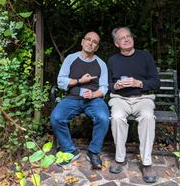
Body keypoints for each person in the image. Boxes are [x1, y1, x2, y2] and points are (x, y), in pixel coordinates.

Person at [107, 27, 160, 183]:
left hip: (142, 98)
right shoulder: (112, 60)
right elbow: (107, 84)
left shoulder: (145, 56)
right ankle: (120, 158)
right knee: (116, 117)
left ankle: (146, 162)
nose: (127, 39)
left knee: (148, 117)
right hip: (120, 99)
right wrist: (115, 86)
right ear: (117, 44)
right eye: (122, 38)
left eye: (129, 36)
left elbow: (156, 82)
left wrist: (139, 83)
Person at [51, 31, 110, 169]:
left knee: (103, 118)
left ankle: (93, 152)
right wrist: (79, 80)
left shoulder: (101, 64)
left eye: (94, 42)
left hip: (94, 100)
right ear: (82, 42)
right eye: (88, 39)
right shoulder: (71, 59)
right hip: (72, 98)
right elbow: (61, 81)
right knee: (56, 117)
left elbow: (104, 87)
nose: (90, 43)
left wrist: (94, 94)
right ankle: (70, 150)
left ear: (97, 47)